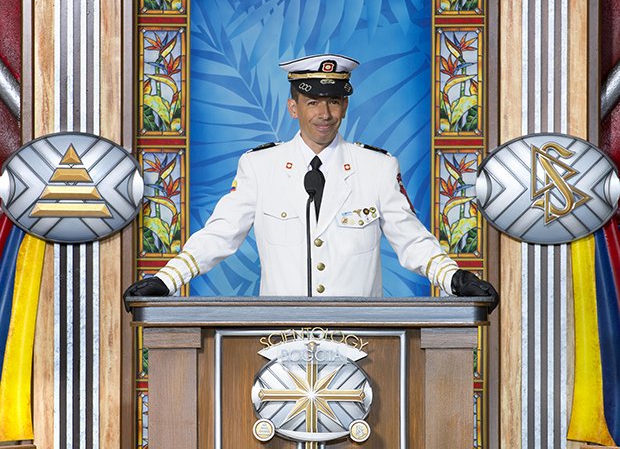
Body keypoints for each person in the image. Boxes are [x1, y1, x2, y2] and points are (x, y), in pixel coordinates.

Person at [124, 54, 499, 311]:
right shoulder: (260, 167)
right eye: (313, 102)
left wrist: (454, 278)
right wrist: (166, 280)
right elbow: (220, 235)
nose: (325, 113)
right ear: (294, 107)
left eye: (333, 101)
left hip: (362, 341)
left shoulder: (377, 168)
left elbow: (411, 240)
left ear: (345, 106)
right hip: (279, 342)